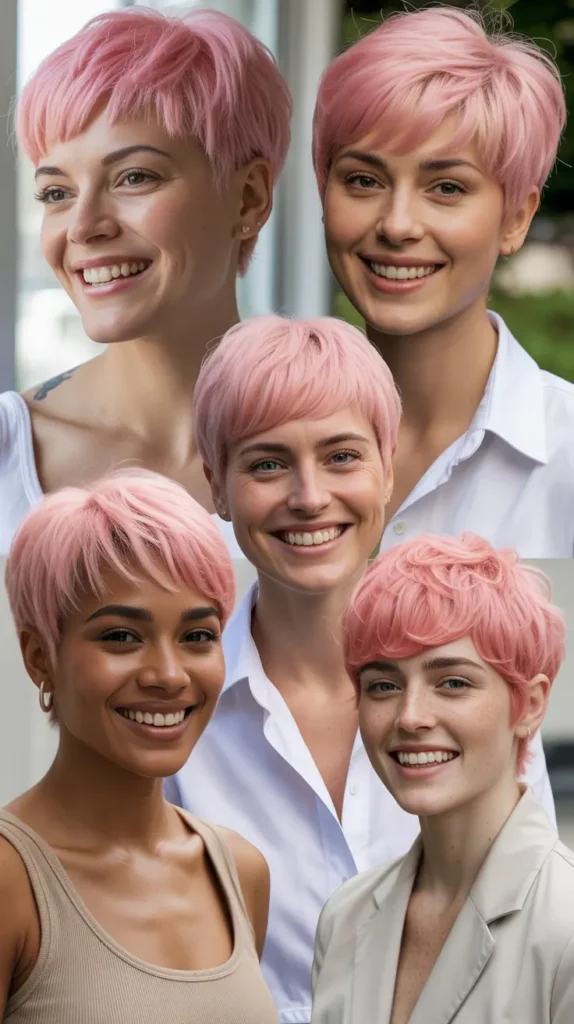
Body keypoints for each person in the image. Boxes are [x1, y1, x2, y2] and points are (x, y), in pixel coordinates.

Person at [166, 314, 555, 1024]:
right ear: (215, 484)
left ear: (388, 468)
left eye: (342, 457)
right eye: (266, 463)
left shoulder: (485, 693)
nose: (309, 496)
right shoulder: (171, 708)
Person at [0, 6, 291, 556]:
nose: (83, 227)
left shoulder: (358, 463)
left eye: (134, 177)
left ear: (249, 196)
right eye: (56, 193)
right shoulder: (7, 453)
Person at [0, 470, 278, 1024]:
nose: (169, 676)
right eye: (121, 637)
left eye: (197, 636)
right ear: (39, 658)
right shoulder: (11, 880)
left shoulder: (240, 871)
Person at [313, 5, 574, 556]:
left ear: (517, 219)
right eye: (363, 180)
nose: (398, 224)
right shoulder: (242, 446)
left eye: (447, 188)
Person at [311, 534, 574, 1023]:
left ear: (531, 705)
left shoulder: (566, 924)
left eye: (452, 682)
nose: (410, 717)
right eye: (383, 685)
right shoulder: (344, 916)